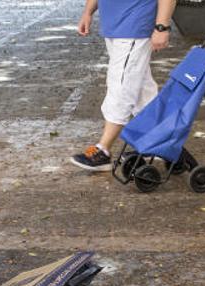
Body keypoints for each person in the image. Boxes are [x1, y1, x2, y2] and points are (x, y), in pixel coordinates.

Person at [70, 0, 177, 171]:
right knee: (141, 89)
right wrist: (88, 12)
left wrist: (162, 27)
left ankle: (103, 151)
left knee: (121, 86)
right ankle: (161, 141)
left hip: (134, 25)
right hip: (114, 26)